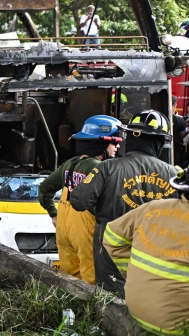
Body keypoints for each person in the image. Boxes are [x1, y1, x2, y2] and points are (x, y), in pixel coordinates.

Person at [70, 109, 179, 296]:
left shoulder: (107, 168)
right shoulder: (175, 175)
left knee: (111, 297)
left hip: (110, 246)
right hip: (155, 246)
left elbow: (79, 201)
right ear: (160, 142)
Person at [37, 115, 123, 285]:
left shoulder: (70, 164)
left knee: (68, 279)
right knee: (91, 281)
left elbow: (44, 188)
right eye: (114, 142)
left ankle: (69, 311)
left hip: (63, 227)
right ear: (101, 143)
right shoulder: (99, 168)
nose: (117, 146)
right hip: (85, 231)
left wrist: (53, 213)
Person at [102, 173, 189, 336]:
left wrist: (133, 272)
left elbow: (112, 236)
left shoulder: (153, 207)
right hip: (177, 328)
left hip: (138, 312)